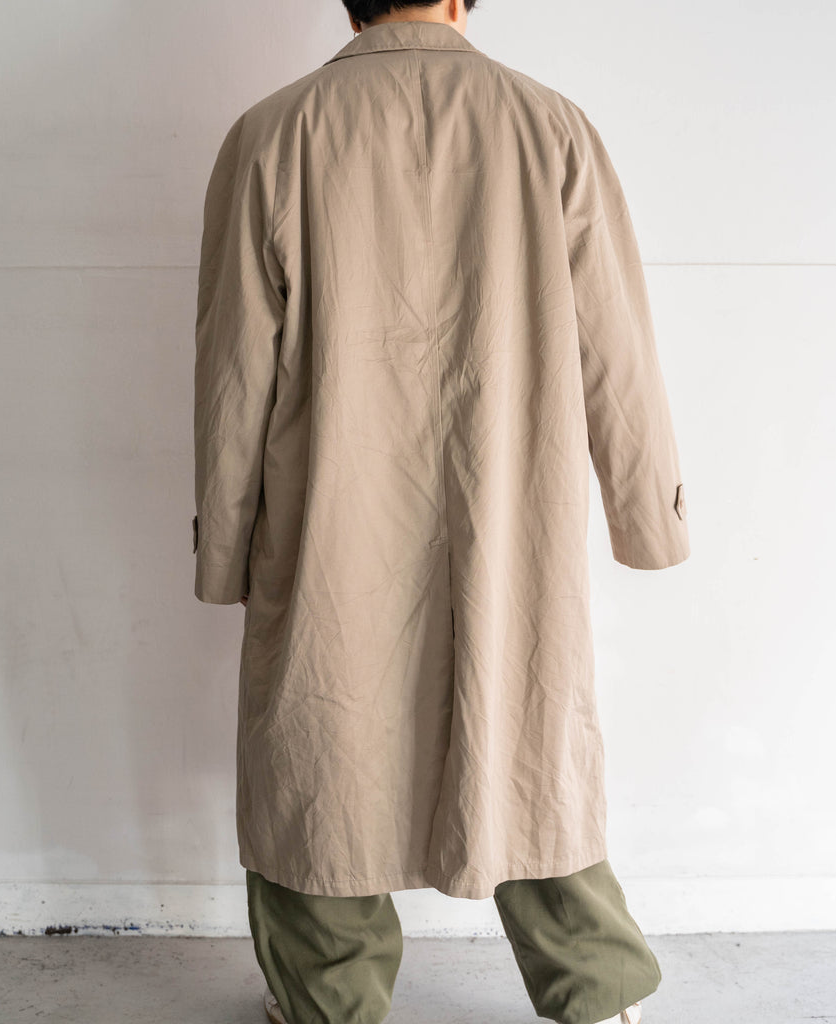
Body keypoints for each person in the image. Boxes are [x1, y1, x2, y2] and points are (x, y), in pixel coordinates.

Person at [192, 1, 690, 1022]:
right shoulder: (549, 126)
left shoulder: (273, 134)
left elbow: (233, 370)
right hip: (509, 505)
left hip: (328, 512)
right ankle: (594, 990)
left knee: (322, 748)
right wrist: (647, 510)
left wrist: (225, 542)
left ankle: (330, 998)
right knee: (526, 735)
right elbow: (616, 343)